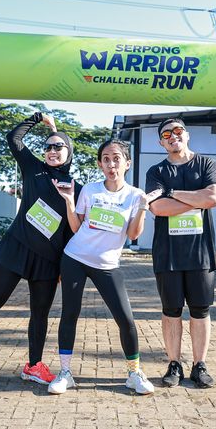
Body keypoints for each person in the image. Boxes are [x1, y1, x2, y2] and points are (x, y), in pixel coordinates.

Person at [0, 112, 80, 387]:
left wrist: (63, 267)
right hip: (15, 249)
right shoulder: (34, 169)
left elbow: (72, 231)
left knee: (40, 314)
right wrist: (38, 118)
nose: (52, 150)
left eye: (58, 147)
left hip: (47, 260)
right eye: (48, 147)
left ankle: (33, 366)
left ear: (69, 152)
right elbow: (14, 138)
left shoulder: (76, 189)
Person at [47, 140, 162, 395]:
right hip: (75, 258)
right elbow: (76, 227)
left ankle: (134, 373)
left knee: (126, 319)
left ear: (127, 163)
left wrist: (143, 207)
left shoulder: (135, 195)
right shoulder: (90, 190)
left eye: (117, 159)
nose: (112, 164)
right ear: (100, 164)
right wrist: (69, 201)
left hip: (108, 265)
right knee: (70, 314)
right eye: (106, 159)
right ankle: (65, 373)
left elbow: (133, 234)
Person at [146, 118, 216, 388]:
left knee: (200, 310)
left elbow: (214, 198)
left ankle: (199, 365)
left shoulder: (207, 165)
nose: (173, 136)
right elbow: (158, 208)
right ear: (161, 142)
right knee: (171, 310)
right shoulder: (156, 171)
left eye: (178, 131)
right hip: (167, 253)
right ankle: (174, 364)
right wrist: (196, 198)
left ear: (187, 135)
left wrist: (173, 194)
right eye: (166, 134)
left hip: (200, 252)